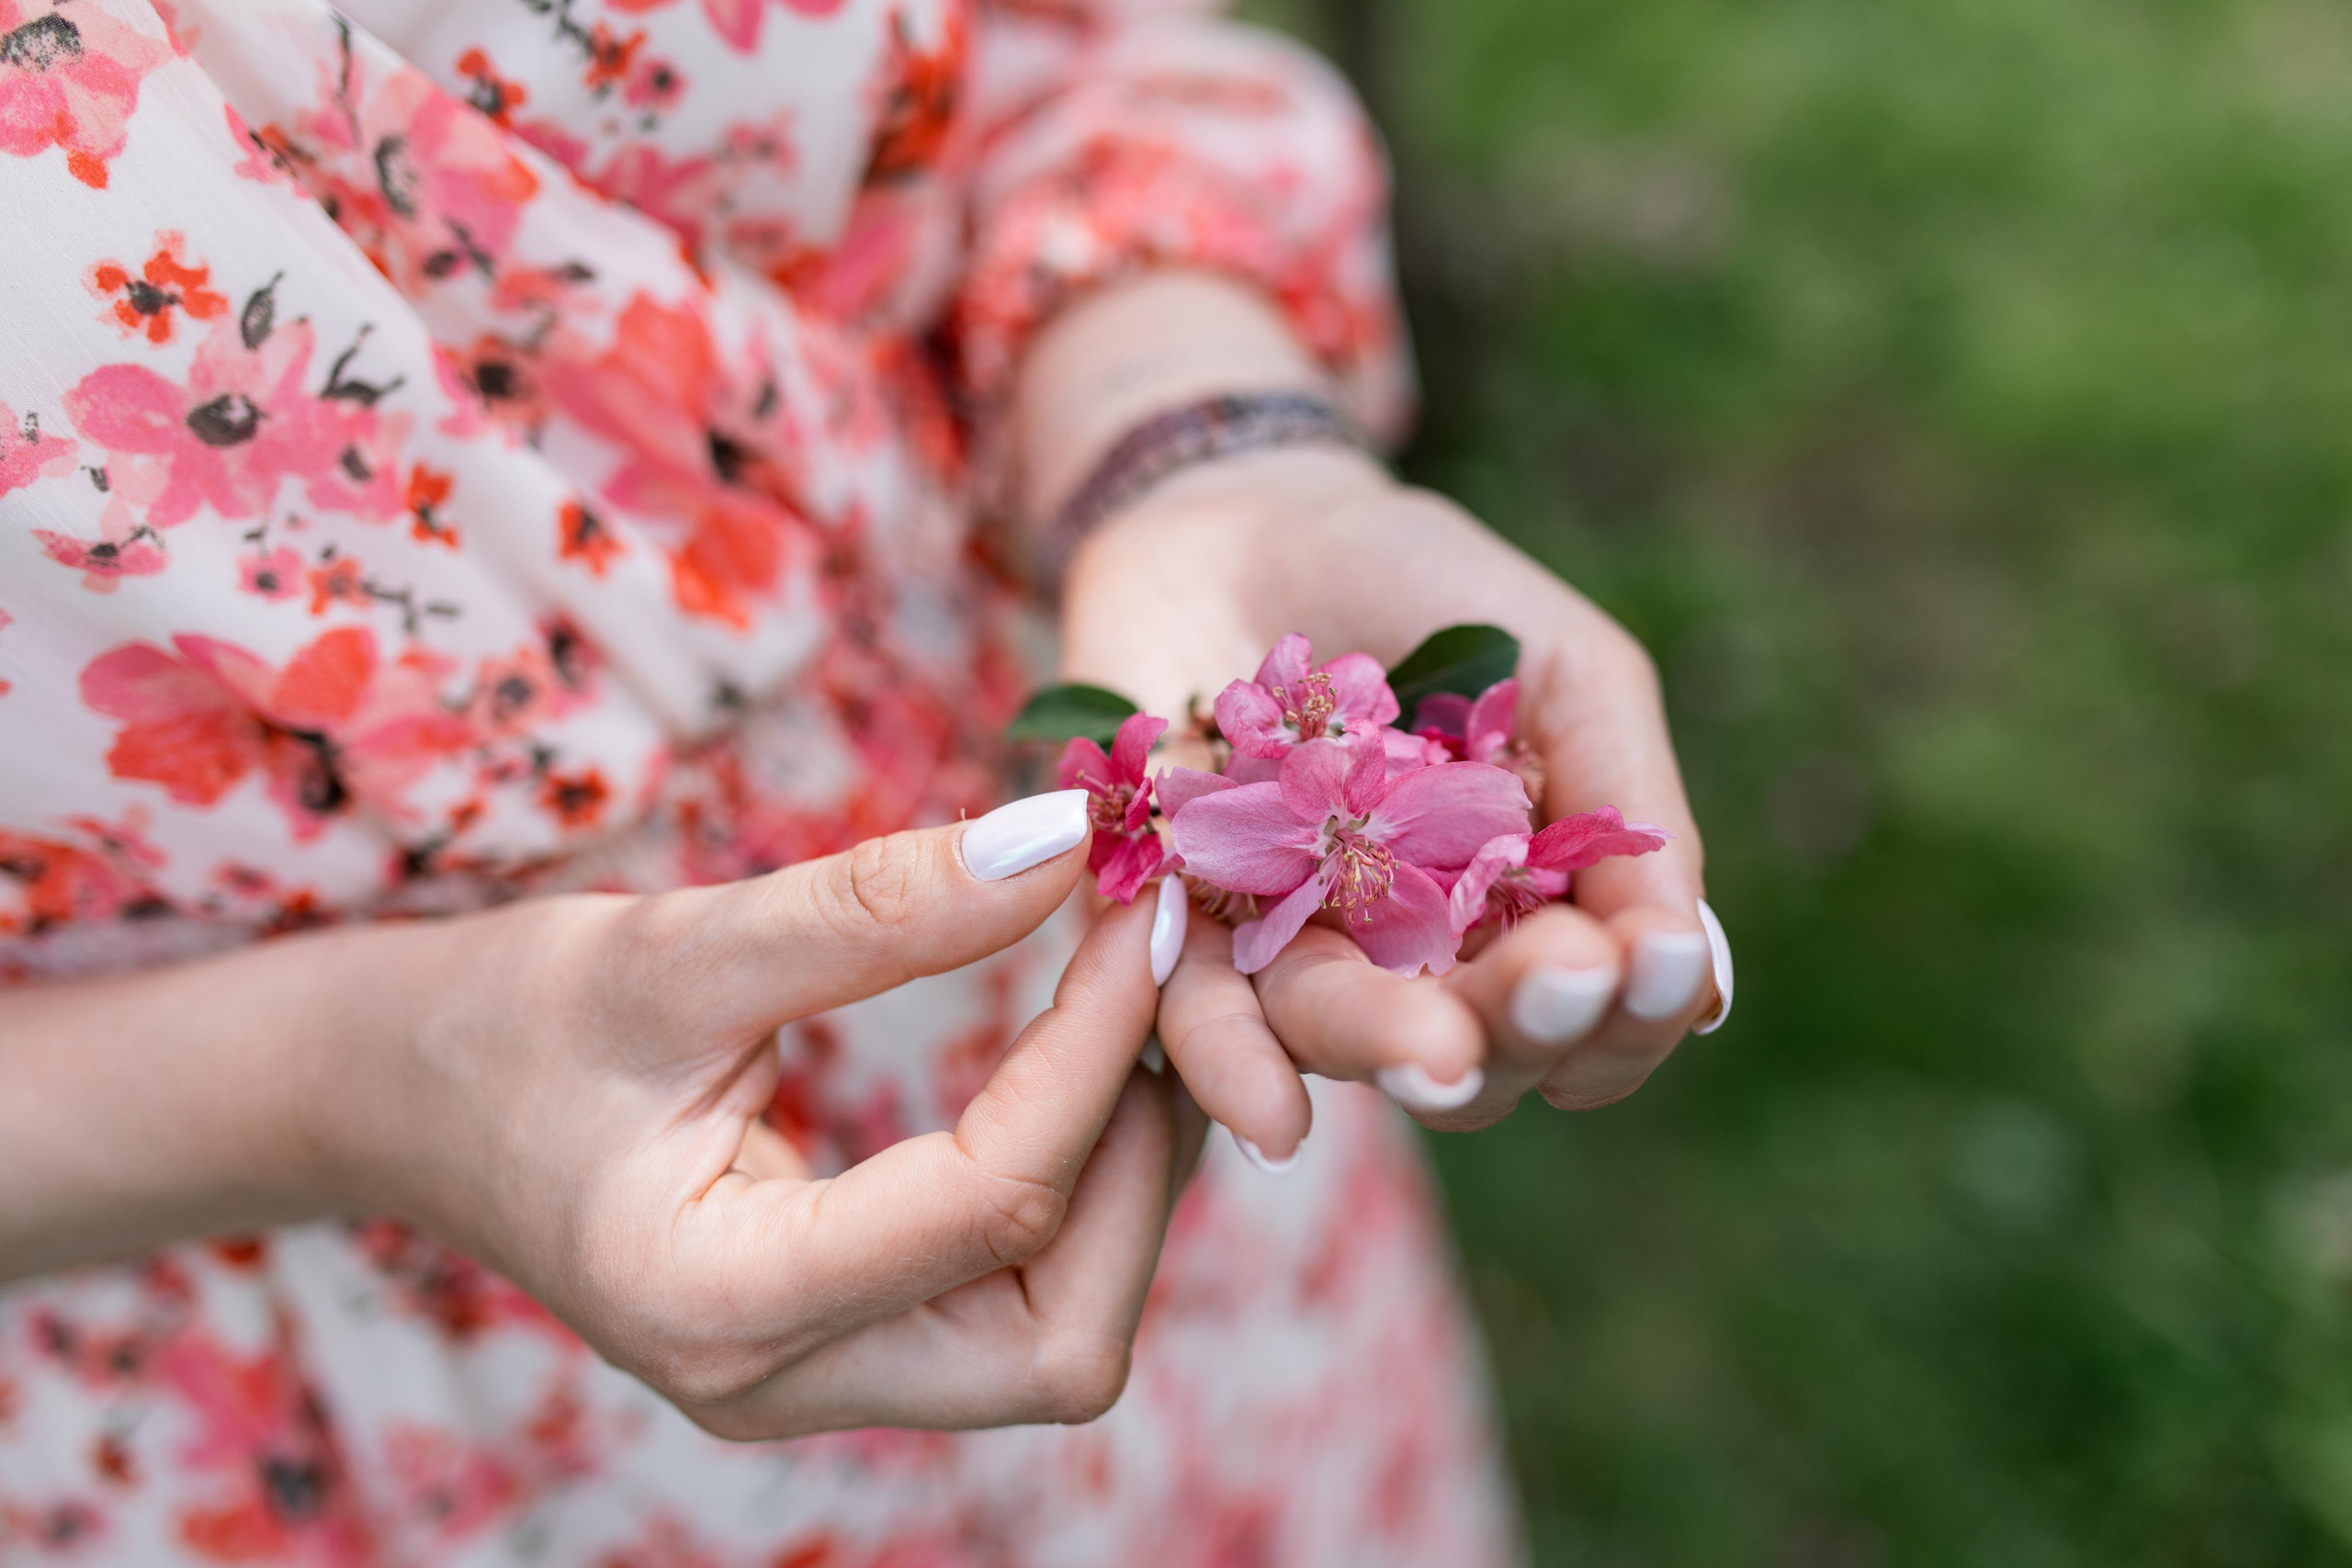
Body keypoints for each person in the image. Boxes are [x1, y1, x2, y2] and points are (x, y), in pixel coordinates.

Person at [0, 0, 1731, 1561]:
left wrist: (1187, 447)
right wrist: (348, 1083)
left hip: (1125, 1047)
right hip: (297, 1379)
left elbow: (1046, 61)